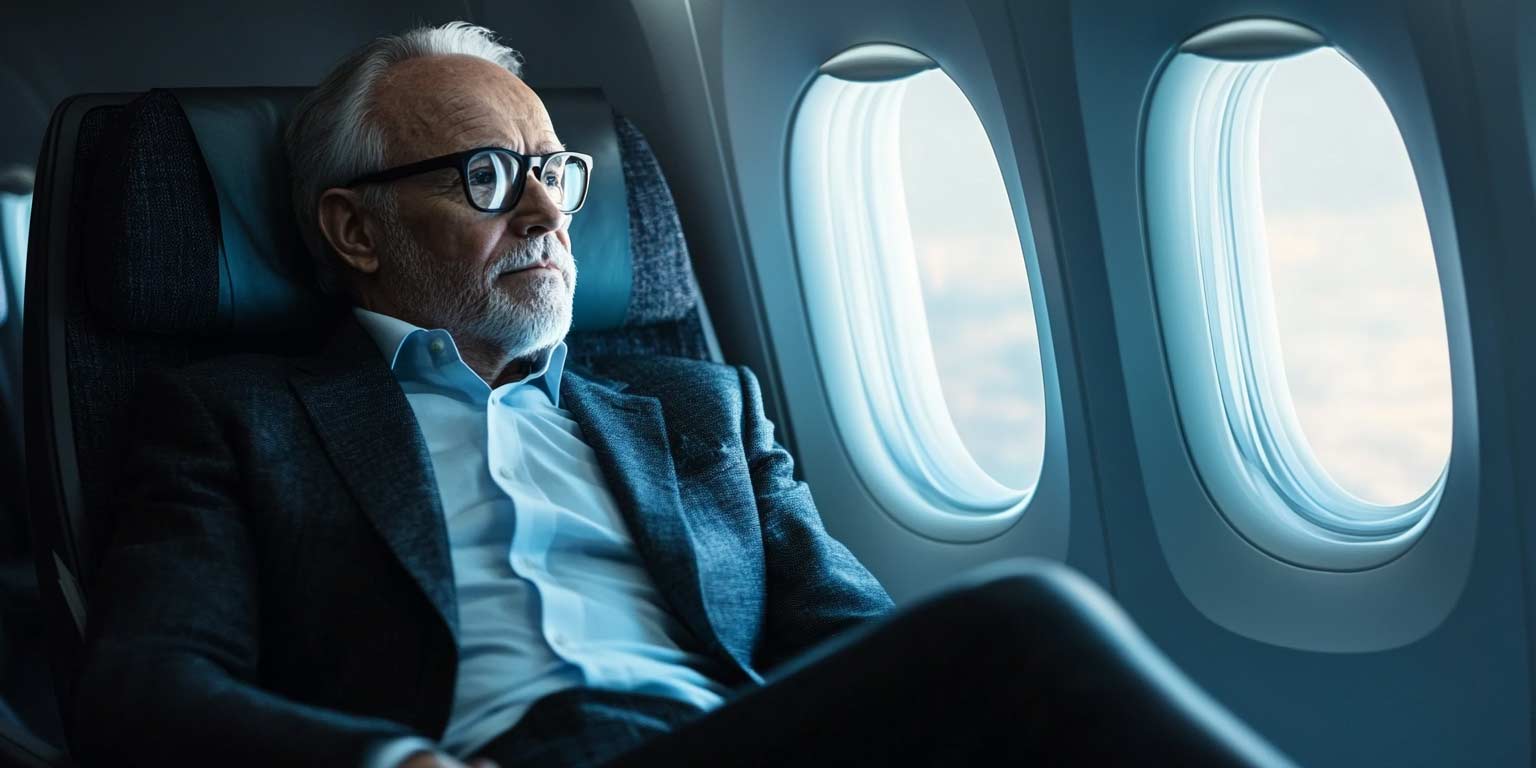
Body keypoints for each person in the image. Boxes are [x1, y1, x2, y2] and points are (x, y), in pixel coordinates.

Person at [75, 22, 1293, 768]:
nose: (551, 210)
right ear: (352, 226)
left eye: (557, 171)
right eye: (491, 177)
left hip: (733, 740)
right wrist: (390, 766)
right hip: (494, 751)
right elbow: (147, 686)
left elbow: (855, 642)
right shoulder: (237, 420)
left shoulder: (700, 405)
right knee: (1023, 624)